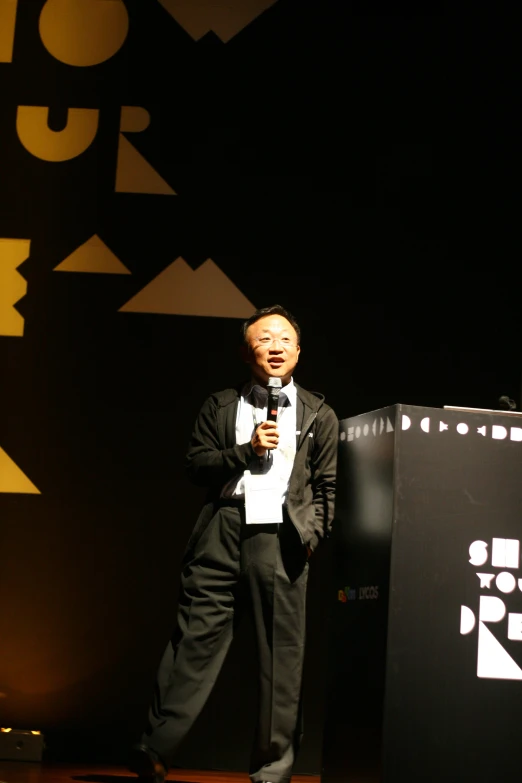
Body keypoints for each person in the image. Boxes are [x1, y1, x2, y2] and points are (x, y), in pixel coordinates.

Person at [129, 304, 338, 783]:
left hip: (281, 536)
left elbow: (327, 487)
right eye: (265, 339)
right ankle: (154, 749)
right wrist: (248, 452)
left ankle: (273, 766)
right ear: (248, 352)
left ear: (299, 352)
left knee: (282, 658)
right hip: (223, 528)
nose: (276, 347)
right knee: (192, 642)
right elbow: (195, 465)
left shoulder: (319, 413)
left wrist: (310, 537)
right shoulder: (221, 405)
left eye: (285, 339)